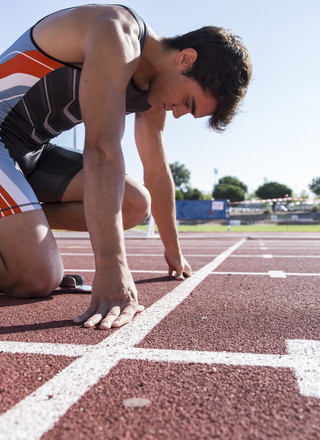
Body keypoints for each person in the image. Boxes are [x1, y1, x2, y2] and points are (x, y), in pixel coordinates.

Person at [0, 4, 252, 329]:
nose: (177, 114)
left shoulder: (155, 93)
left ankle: (17, 229)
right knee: (39, 277)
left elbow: (157, 173)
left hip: (30, 150)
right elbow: (102, 148)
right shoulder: (115, 31)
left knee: (135, 205)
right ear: (185, 58)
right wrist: (111, 266)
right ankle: (22, 240)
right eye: (187, 103)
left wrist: (173, 251)